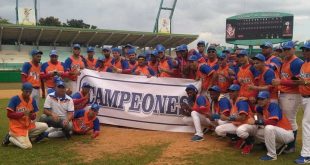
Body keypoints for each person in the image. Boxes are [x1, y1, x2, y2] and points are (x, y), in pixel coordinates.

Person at [272, 40, 304, 153]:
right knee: (285, 119)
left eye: (288, 49)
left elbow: (297, 82)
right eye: (284, 49)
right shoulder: (285, 61)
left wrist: (280, 82)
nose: (286, 51)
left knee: (290, 120)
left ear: (294, 49)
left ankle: (291, 146)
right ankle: (286, 143)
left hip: (292, 95)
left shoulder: (296, 62)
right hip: (284, 93)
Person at [1, 83, 48, 149]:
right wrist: (23, 113)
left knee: (44, 126)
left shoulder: (32, 100)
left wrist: (32, 115)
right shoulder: (15, 99)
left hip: (28, 126)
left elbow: (33, 117)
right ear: (22, 90)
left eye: (30, 91)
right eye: (26, 91)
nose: (28, 93)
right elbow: (9, 114)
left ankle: (24, 137)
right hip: (17, 127)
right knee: (27, 146)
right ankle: (10, 138)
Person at [215, 84, 255, 155]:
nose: (230, 93)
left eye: (232, 91)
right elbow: (233, 116)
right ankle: (238, 139)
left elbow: (243, 117)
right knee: (218, 130)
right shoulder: (233, 101)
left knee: (240, 130)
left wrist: (227, 118)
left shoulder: (241, 101)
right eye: (229, 91)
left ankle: (249, 143)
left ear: (238, 92)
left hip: (248, 125)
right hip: (238, 125)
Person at [254, 91, 294, 161]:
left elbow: (272, 122)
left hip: (286, 133)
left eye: (262, 99)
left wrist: (256, 121)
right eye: (259, 99)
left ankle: (272, 155)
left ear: (268, 99)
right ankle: (278, 146)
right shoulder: (261, 108)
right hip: (278, 132)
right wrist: (257, 117)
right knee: (256, 132)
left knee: (269, 128)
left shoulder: (273, 106)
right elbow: (256, 112)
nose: (260, 101)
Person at [292, 41, 310, 164]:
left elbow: (306, 81)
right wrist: (298, 79)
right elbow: (302, 78)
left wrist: (303, 82)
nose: (304, 52)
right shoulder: (305, 63)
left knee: (306, 124)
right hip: (304, 97)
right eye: (303, 49)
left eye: (307, 50)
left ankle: (306, 155)